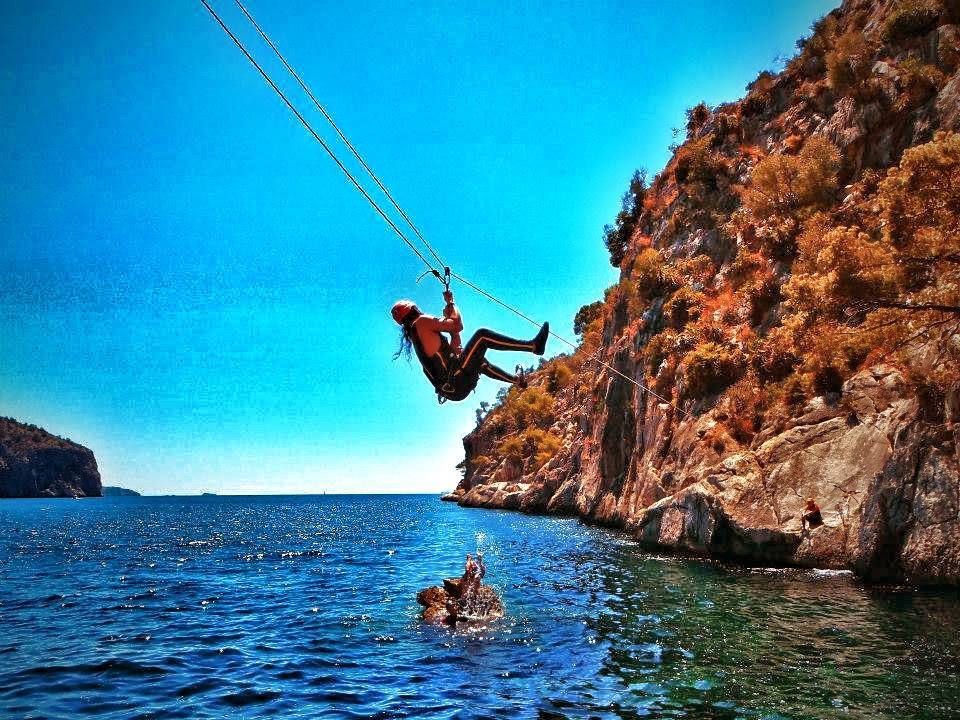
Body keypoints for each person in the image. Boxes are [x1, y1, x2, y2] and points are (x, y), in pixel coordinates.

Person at [391, 289, 549, 402]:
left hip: (454, 390)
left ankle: (517, 381)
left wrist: (451, 326)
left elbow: (454, 345)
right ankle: (533, 346)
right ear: (413, 309)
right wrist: (451, 304)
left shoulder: (416, 336)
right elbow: (457, 325)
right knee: (482, 336)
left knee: (480, 362)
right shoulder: (421, 322)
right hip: (457, 379)